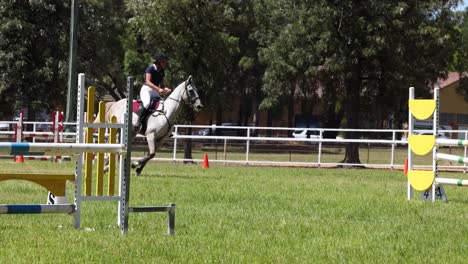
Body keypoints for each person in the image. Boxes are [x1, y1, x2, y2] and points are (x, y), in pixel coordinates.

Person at [135, 53, 172, 131]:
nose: (165, 63)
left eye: (165, 62)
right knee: (147, 103)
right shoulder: (150, 68)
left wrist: (165, 89)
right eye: (163, 62)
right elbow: (147, 82)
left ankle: (164, 128)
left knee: (163, 105)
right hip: (147, 90)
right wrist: (158, 89)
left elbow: (162, 85)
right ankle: (139, 122)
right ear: (158, 62)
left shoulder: (162, 72)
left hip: (155, 91)